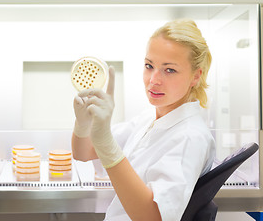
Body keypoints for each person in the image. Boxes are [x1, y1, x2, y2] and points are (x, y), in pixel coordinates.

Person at [71, 19, 216, 221]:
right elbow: (84, 153)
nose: (153, 79)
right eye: (149, 66)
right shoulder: (150, 118)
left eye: (170, 70)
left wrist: (106, 144)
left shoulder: (189, 137)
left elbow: (155, 217)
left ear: (195, 76)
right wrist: (84, 125)